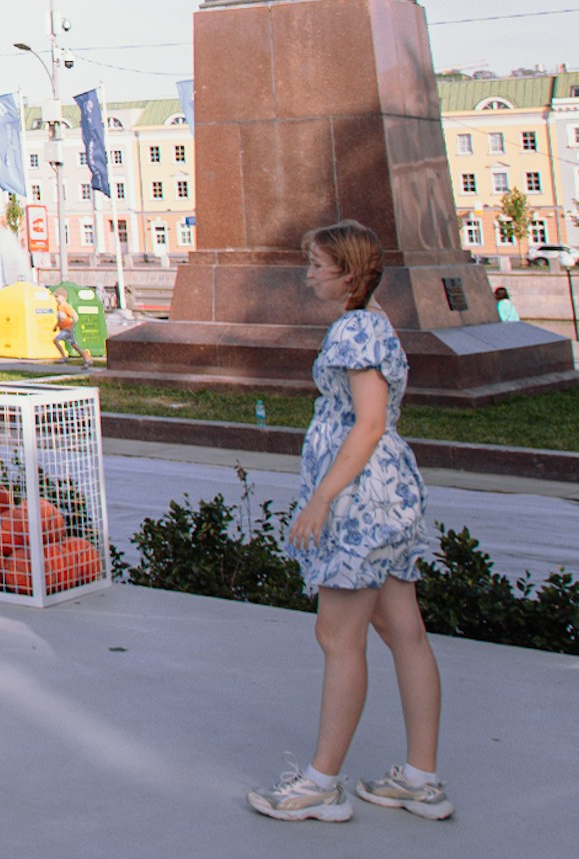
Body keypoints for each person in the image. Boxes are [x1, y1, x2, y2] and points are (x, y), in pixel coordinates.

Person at [248, 220, 449, 823]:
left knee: (338, 638)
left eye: (317, 264)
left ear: (348, 273)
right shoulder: (376, 322)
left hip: (358, 500)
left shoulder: (354, 329)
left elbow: (368, 422)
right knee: (404, 632)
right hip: (388, 494)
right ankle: (420, 780)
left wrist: (322, 499)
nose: (308, 274)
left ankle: (320, 784)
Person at [51, 289, 89, 364]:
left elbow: (75, 317)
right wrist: (56, 326)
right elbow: (60, 319)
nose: (56, 299)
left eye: (57, 297)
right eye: (55, 297)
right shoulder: (58, 307)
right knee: (74, 345)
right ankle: (86, 358)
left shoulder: (66, 306)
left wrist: (71, 325)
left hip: (67, 329)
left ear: (64, 297)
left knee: (56, 340)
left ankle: (64, 357)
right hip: (64, 329)